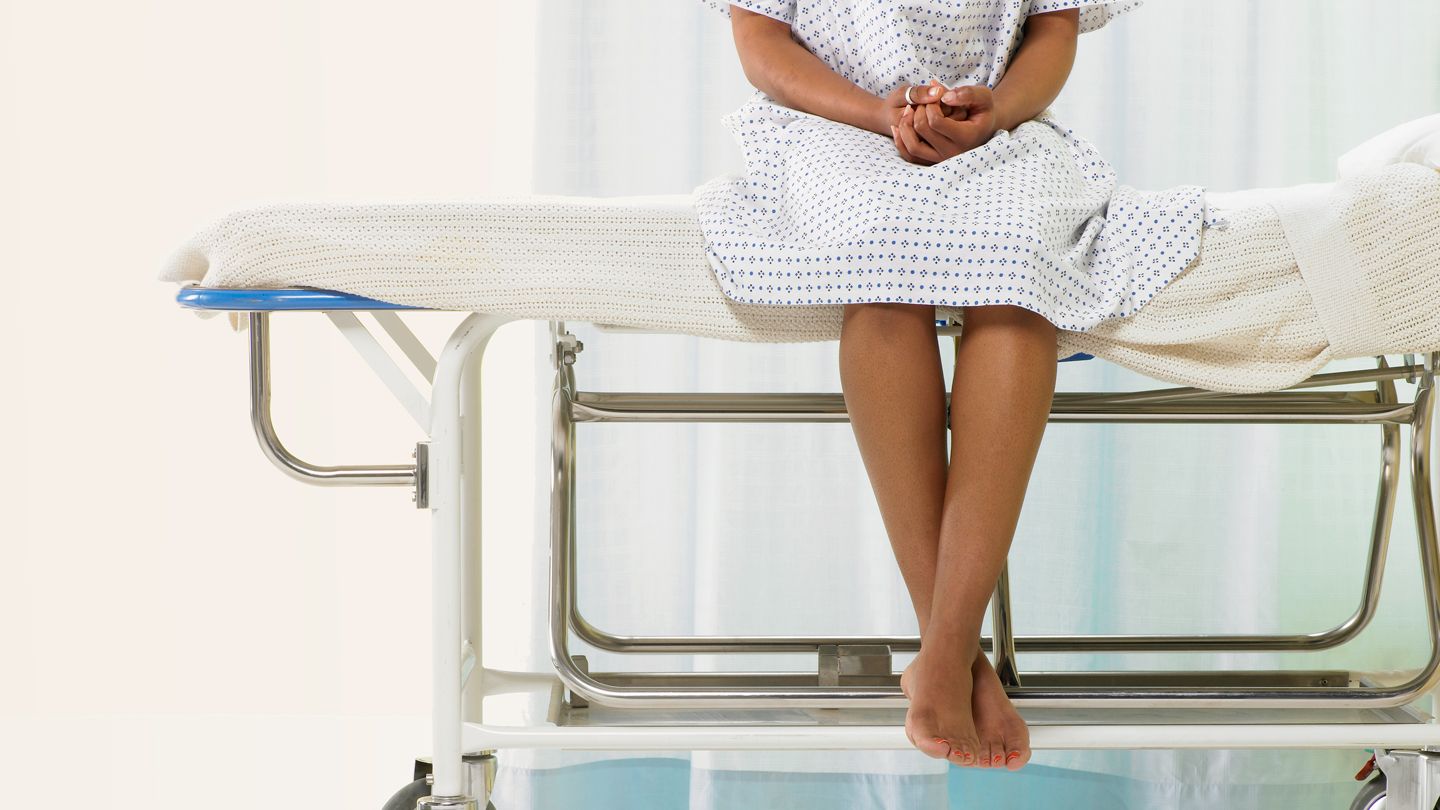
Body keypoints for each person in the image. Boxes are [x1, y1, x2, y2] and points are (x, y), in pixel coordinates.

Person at [696, 0, 1211, 772]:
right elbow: (759, 39)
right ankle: (955, 662)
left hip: (996, 133)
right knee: (879, 260)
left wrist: (995, 109)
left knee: (1019, 269)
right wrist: (878, 113)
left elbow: (1052, 28)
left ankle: (942, 657)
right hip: (831, 126)